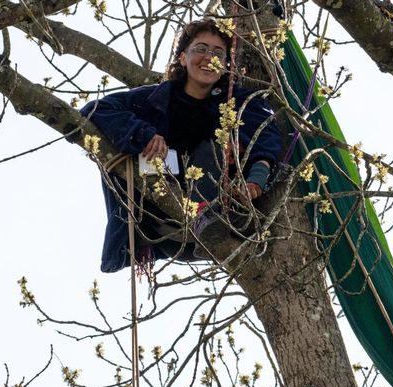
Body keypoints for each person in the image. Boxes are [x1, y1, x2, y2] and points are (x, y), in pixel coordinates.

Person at [78, 19, 283, 273]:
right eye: (201, 49)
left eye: (218, 53)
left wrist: (256, 178)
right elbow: (94, 109)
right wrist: (144, 134)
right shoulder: (154, 98)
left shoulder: (237, 102)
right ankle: (197, 214)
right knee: (146, 150)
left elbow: (266, 136)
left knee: (220, 139)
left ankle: (214, 216)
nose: (210, 57)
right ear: (183, 58)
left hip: (218, 217)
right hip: (157, 218)